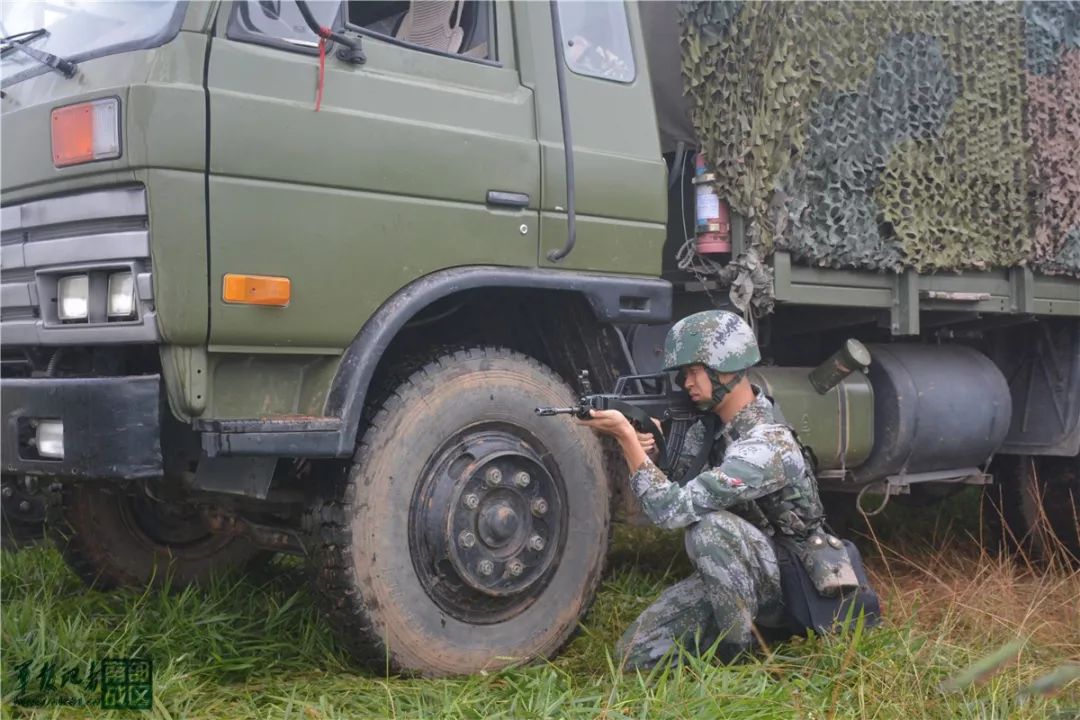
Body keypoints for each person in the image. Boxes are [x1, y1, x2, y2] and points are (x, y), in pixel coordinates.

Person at [579, 309, 862, 669]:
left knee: (709, 528)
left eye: (695, 371)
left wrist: (625, 438)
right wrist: (651, 443)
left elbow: (672, 511)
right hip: (740, 572)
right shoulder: (716, 428)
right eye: (684, 374)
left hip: (792, 581)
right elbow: (678, 478)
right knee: (633, 654)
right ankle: (735, 622)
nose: (686, 383)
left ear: (728, 366)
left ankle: (741, 654)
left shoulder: (767, 445)